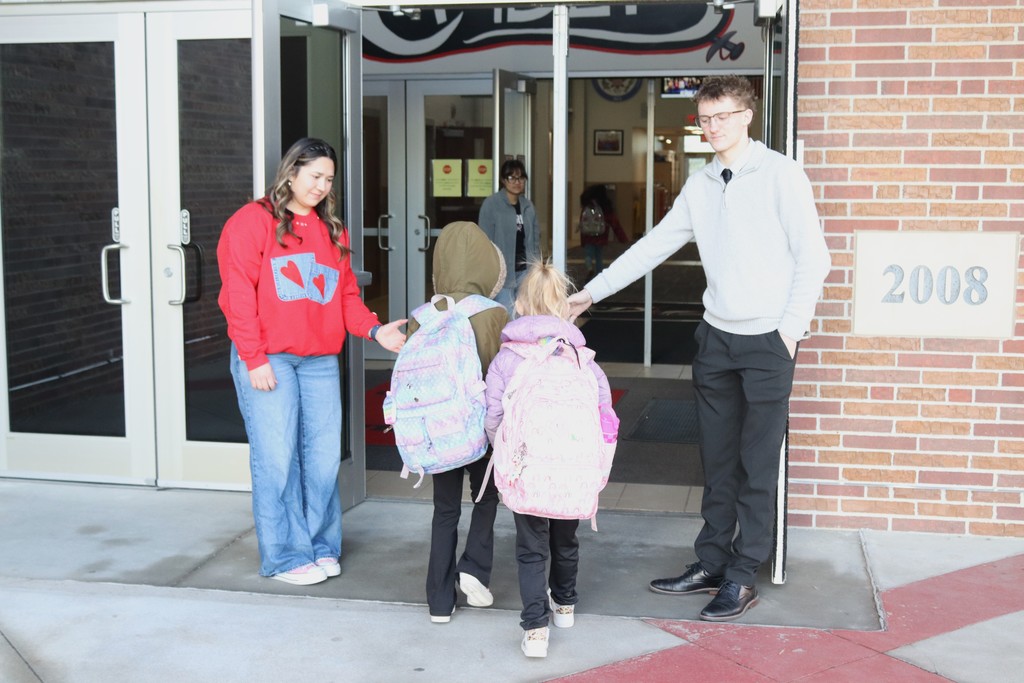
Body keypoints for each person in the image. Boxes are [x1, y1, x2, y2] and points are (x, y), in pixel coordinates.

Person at [568, 75, 832, 621]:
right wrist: (587, 294)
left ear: (746, 116)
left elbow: (815, 260)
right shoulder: (702, 184)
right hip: (715, 338)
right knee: (715, 460)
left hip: (767, 342)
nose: (713, 127)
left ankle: (742, 574)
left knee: (756, 465)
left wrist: (788, 332)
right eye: (705, 118)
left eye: (723, 116)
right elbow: (653, 247)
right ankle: (711, 562)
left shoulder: (782, 175)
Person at [217, 137, 406, 586]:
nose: (321, 186)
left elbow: (344, 298)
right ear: (291, 173)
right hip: (269, 359)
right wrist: (253, 358)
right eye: (314, 176)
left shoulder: (331, 232)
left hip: (319, 360)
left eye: (328, 180)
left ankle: (320, 547)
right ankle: (284, 555)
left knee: (322, 460)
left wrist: (376, 330)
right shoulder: (252, 222)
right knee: (277, 459)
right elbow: (238, 295)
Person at [484, 261, 613, 658]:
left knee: (530, 546)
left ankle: (535, 629)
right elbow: (606, 416)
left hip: (527, 469)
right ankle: (565, 604)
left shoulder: (507, 358)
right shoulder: (583, 359)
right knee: (565, 536)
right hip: (570, 468)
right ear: (563, 309)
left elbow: (492, 416)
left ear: (520, 306)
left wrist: (504, 452)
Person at [404, 221, 508, 624]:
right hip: (481, 428)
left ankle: (438, 601)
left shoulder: (422, 316)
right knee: (485, 499)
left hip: (439, 432)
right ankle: (475, 568)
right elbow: (503, 371)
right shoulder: (494, 313)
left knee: (444, 510)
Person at [478, 159, 541, 316]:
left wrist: (535, 268)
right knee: (505, 318)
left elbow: (535, 240)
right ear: (503, 180)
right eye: (512, 178)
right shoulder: (492, 205)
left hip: (525, 271)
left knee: (525, 317)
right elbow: (484, 241)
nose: (517, 182)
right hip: (502, 272)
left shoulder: (528, 206)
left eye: (520, 178)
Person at [576, 184, 628, 277]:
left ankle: (589, 267)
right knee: (598, 257)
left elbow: (583, 223)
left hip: (588, 237)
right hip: (601, 236)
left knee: (589, 254)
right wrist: (622, 238)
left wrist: (583, 241)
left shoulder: (587, 206)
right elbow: (614, 223)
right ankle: (598, 275)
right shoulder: (605, 206)